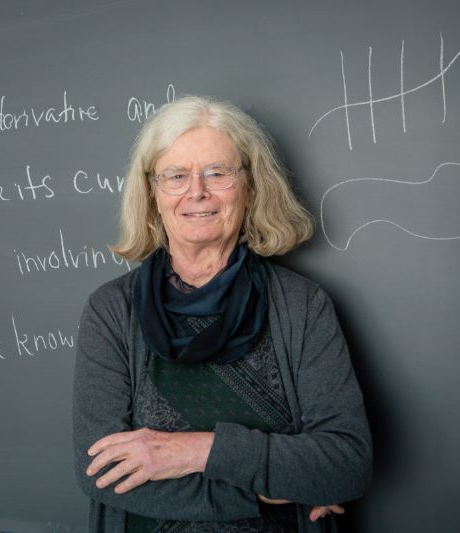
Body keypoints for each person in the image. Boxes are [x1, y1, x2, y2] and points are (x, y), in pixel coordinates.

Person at [72, 95, 372, 532]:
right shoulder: (112, 311)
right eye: (176, 176)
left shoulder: (301, 305)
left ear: (250, 187)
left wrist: (197, 451)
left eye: (218, 172)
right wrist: (262, 490)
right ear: (153, 194)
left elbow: (345, 464)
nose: (197, 192)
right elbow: (102, 472)